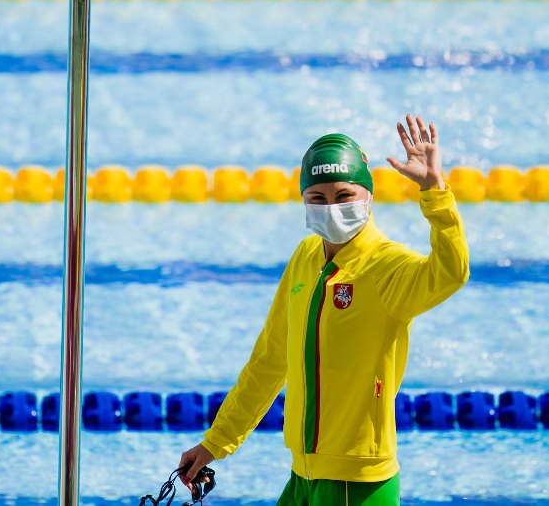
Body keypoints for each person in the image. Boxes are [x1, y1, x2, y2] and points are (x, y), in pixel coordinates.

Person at [176, 115, 469, 506]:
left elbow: (450, 273)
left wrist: (435, 193)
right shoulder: (306, 256)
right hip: (303, 474)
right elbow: (270, 360)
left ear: (368, 196)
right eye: (318, 198)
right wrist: (216, 442)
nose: (331, 207)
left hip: (355, 483)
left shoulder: (388, 268)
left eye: (344, 195)